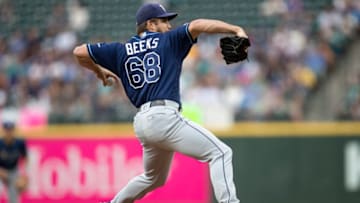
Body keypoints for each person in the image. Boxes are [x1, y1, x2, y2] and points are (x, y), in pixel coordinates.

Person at [73, 3, 248, 203]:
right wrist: (235, 29)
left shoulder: (119, 51)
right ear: (151, 24)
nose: (169, 25)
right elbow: (198, 24)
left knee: (153, 178)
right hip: (164, 117)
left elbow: (79, 52)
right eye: (164, 21)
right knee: (221, 153)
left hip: (142, 123)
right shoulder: (169, 41)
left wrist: (98, 71)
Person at [0, 121, 28, 203]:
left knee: (14, 197)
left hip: (13, 171)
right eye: (7, 130)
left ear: (13, 131)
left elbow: (25, 158)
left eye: (10, 130)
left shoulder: (19, 143)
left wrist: (24, 175)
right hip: (1, 170)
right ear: (4, 131)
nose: (9, 132)